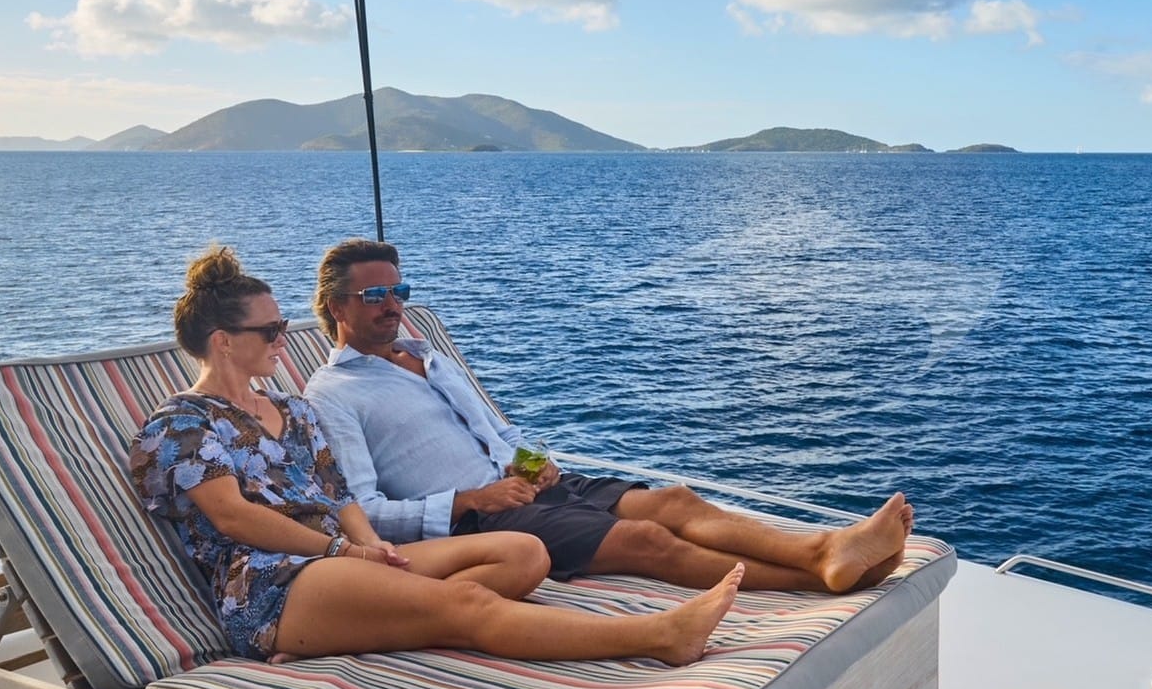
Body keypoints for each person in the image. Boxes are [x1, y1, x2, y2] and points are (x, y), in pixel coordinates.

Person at [128, 246, 742, 666]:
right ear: (223, 343)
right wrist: (349, 552)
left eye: (282, 324)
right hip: (274, 578)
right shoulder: (180, 424)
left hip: (345, 559)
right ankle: (659, 636)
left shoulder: (290, 411)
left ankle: (369, 625)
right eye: (270, 331)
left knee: (525, 553)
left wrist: (374, 547)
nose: (283, 339)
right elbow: (235, 520)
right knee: (469, 603)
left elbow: (340, 498)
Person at [305, 238, 914, 592]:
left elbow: (500, 432)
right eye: (375, 296)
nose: (393, 307)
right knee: (648, 540)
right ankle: (824, 572)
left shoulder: (426, 355)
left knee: (675, 501)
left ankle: (823, 547)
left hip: (531, 488)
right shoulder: (331, 394)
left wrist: (538, 466)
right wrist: (469, 502)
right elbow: (362, 510)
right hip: (475, 524)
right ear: (336, 307)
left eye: (399, 293)